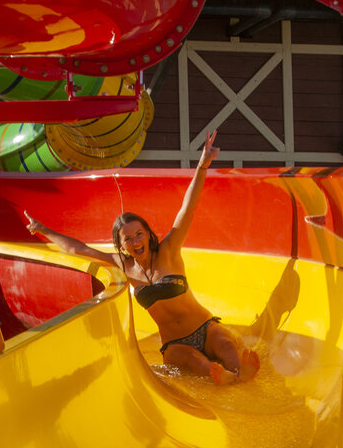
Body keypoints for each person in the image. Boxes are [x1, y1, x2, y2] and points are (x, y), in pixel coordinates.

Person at [24, 131, 260, 385]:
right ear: (121, 245)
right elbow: (77, 249)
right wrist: (43, 229)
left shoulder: (168, 251)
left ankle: (238, 374)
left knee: (225, 343)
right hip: (175, 343)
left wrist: (201, 166)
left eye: (139, 234)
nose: (136, 242)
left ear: (148, 234)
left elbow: (187, 209)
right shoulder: (123, 265)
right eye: (128, 239)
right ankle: (221, 375)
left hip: (205, 327)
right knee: (195, 362)